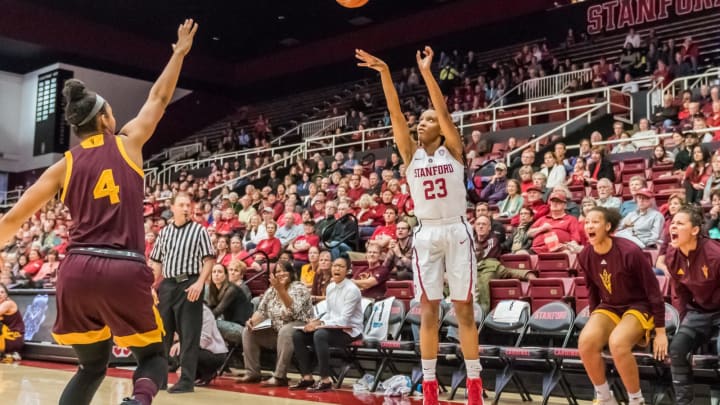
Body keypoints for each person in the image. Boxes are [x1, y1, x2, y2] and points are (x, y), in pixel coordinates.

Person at [0, 19, 197, 405]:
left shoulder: (62, 166)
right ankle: (137, 401)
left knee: (91, 367)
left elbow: (10, 221)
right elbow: (158, 99)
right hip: (122, 267)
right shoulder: (128, 143)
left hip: (75, 272)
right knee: (153, 357)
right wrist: (178, 53)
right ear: (106, 119)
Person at [356, 46, 483, 405]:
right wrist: (383, 72)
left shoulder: (453, 149)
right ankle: (428, 387)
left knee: (464, 311)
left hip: (457, 230)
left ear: (440, 132)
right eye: (421, 121)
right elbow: (395, 112)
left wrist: (427, 73)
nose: (421, 123)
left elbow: (442, 111)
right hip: (426, 233)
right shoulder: (411, 154)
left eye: (427, 121)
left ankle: (474, 385)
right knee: (428, 311)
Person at [577, 207, 667, 405]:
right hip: (610, 306)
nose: (589, 226)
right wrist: (594, 320)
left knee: (617, 343)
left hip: (639, 305)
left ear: (608, 226)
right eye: (587, 222)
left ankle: (636, 400)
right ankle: (604, 397)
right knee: (585, 342)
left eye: (595, 222)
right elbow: (592, 292)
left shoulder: (630, 251)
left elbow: (654, 292)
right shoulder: (584, 255)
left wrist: (660, 332)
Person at [149, 192, 215, 394]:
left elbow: (209, 259)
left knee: (189, 333)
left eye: (188, 204)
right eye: (182, 204)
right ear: (173, 207)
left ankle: (187, 380)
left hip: (190, 282)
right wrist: (150, 286)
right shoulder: (165, 232)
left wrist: (200, 283)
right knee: (163, 333)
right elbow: (156, 262)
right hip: (168, 284)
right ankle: (159, 378)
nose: (186, 208)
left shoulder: (199, 231)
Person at [666, 206, 720, 404]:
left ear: (695, 230)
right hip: (699, 313)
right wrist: (684, 321)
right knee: (677, 348)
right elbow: (681, 293)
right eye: (673, 223)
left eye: (680, 223)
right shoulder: (672, 256)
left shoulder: (714, 254)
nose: (674, 227)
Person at [291, 257, 364, 392]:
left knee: (320, 334)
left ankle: (325, 380)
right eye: (335, 265)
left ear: (347, 270)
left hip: (350, 331)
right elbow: (330, 313)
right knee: (298, 335)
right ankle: (307, 377)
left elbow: (344, 321)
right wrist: (316, 321)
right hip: (333, 328)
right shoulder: (330, 287)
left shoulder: (352, 290)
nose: (336, 268)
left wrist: (320, 324)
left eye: (341, 266)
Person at [238, 261, 313, 387]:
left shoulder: (299, 287)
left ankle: (280, 376)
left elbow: (293, 311)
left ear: (292, 273)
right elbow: (262, 311)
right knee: (248, 331)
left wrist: (281, 290)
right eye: (277, 271)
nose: (281, 274)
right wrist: (252, 321)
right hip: (278, 330)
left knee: (285, 330)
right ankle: (253, 373)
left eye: (284, 270)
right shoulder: (271, 290)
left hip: (300, 328)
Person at [474, 215, 535, 314]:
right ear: (475, 226)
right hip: (474, 272)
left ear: (489, 227)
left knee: (483, 279)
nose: (481, 226)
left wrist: (527, 274)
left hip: (489, 269)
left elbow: (505, 270)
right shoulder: (469, 241)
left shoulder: (493, 242)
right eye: (478, 224)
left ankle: (481, 314)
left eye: (484, 224)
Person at [168, 305, 227, 387]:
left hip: (214, 353)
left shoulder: (204, 312)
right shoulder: (180, 310)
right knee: (176, 350)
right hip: (195, 348)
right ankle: (195, 374)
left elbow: (205, 340)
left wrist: (182, 343)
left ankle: (208, 372)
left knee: (184, 350)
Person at [0, 282, 24, 355]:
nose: (0, 294)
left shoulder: (8, 303)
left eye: (2, 292)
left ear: (6, 294)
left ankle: (3, 354)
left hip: (13, 339)